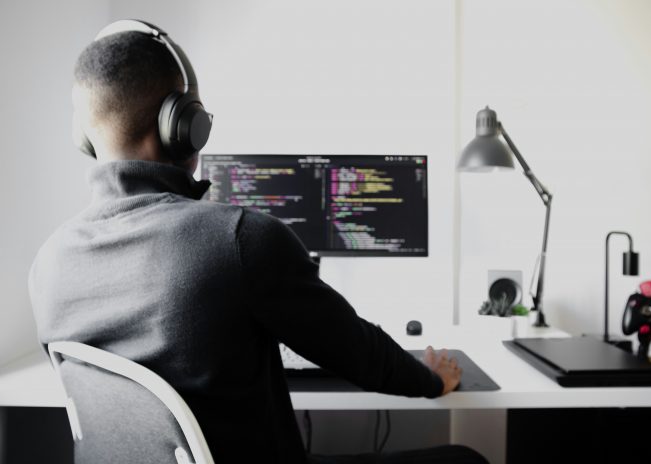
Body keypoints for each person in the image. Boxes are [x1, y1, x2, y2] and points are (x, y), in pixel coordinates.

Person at [28, 21, 488, 464]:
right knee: (465, 458)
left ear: (85, 136)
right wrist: (431, 378)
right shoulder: (240, 238)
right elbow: (361, 355)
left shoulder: (47, 265)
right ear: (184, 125)